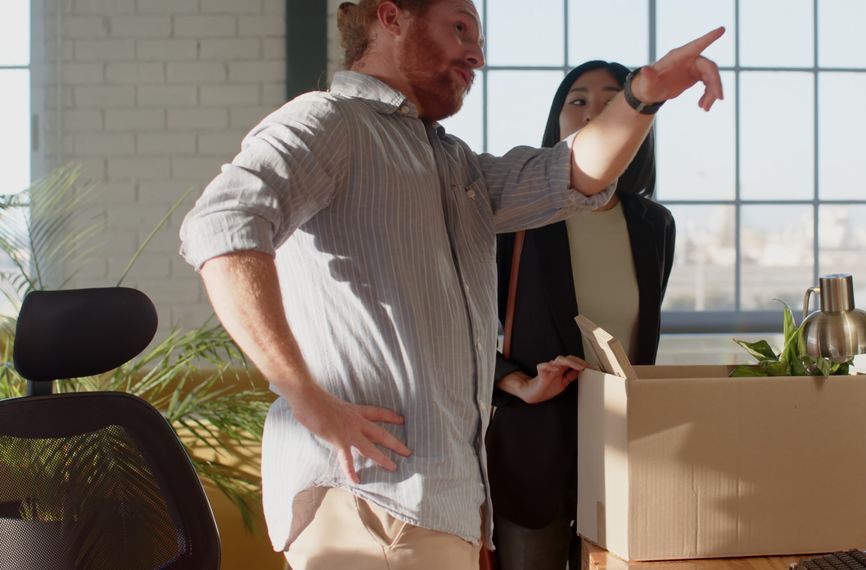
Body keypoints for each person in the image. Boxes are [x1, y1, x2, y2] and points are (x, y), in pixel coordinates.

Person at [178, 0, 724, 566]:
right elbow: (221, 226)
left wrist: (644, 94)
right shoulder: (330, 121)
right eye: (460, 28)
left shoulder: (452, 163)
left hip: (441, 506)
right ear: (391, 18)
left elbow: (571, 172)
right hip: (371, 500)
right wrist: (306, 398)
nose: (477, 55)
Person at [486, 60, 675, 570]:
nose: (593, 112)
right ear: (558, 121)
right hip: (535, 442)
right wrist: (516, 383)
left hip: (622, 446)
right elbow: (467, 320)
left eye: (613, 100)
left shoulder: (652, 224)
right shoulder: (519, 217)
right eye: (578, 100)